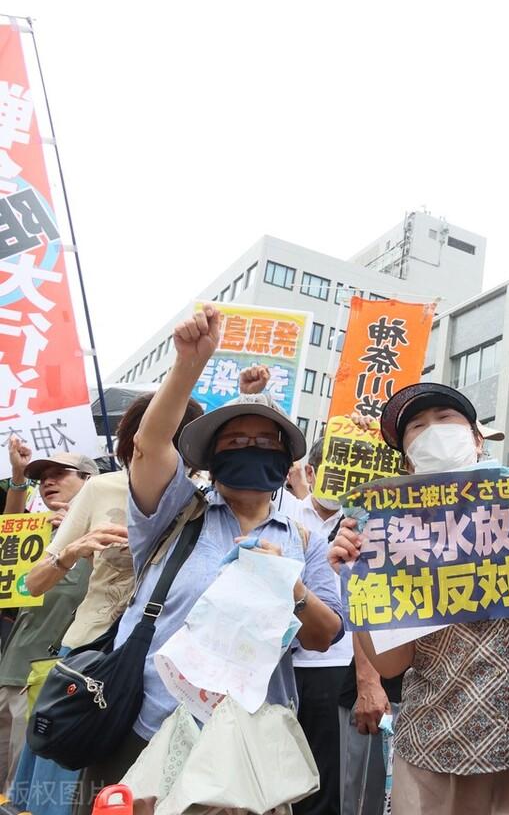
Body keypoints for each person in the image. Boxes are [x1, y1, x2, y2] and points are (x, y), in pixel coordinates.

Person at [75, 305, 344, 808]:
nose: (251, 448)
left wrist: (289, 588)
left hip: (247, 746)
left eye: (265, 443)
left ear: (285, 460)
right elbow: (150, 443)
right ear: (212, 458)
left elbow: (325, 634)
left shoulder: (304, 538)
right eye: (236, 442)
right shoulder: (175, 513)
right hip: (149, 725)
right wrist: (189, 364)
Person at [329, 382, 509, 815]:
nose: (433, 431)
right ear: (407, 460)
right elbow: (392, 663)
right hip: (439, 750)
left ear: (477, 439)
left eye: (446, 419)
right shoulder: (390, 535)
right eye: (417, 427)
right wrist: (357, 584)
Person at [7, 394, 203, 815]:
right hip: (89, 656)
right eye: (155, 434)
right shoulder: (100, 488)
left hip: (158, 670)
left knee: (123, 793)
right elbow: (31, 582)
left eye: (176, 437)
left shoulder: (200, 501)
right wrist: (73, 550)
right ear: (135, 439)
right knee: (60, 785)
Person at [290, 435, 390, 815]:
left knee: (328, 784)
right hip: (284, 665)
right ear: (311, 473)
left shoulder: (369, 520)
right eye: (334, 471)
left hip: (339, 666)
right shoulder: (284, 512)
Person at [0, 448, 97, 792]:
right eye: (42, 478)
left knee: (20, 783)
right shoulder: (39, 531)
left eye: (60, 474)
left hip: (52, 678)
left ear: (90, 481)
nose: (48, 482)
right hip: (10, 671)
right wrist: (17, 477)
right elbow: (9, 539)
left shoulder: (106, 531)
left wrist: (77, 534)